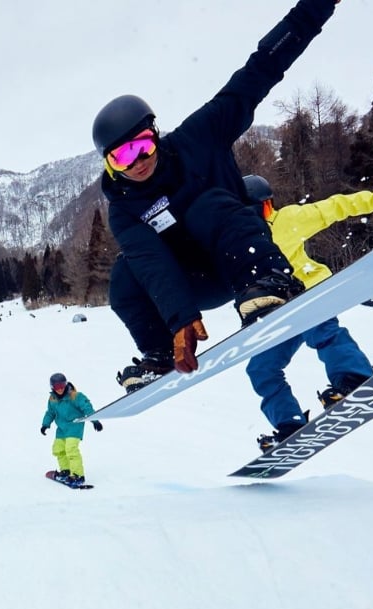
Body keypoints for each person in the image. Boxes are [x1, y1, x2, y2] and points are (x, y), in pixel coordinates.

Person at [92, 0, 342, 393]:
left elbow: (260, 70)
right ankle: (159, 352)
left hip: (241, 252)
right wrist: (179, 319)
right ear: (109, 164)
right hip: (194, 283)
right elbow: (152, 263)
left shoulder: (199, 138)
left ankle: (266, 284)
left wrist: (316, 8)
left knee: (204, 206)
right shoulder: (124, 208)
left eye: (142, 146)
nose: (138, 162)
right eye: (122, 157)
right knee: (124, 276)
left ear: (155, 134)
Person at [242, 174, 373, 451]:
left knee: (320, 330)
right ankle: (290, 425)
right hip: (277, 313)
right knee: (261, 368)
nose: (262, 215)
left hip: (309, 296)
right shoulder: (234, 241)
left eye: (262, 209)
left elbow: (342, 204)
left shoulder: (288, 220)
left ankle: (353, 378)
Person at [40, 373, 103, 487]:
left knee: (71, 449)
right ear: (52, 387)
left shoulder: (75, 396)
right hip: (62, 428)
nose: (60, 389)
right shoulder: (52, 399)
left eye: (62, 385)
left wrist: (95, 421)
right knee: (58, 449)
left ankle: (78, 475)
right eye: (56, 386)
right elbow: (50, 413)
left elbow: (87, 408)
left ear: (65, 384)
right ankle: (66, 470)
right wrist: (45, 424)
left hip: (74, 426)